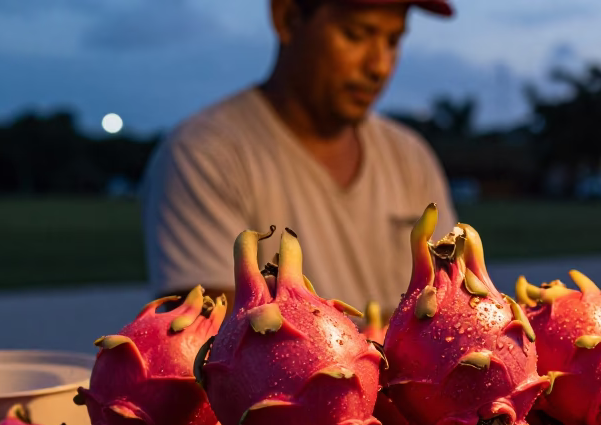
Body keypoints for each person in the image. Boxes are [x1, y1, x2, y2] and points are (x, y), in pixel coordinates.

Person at [141, 0, 457, 309]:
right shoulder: (205, 154)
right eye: (355, 35)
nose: (379, 66)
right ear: (288, 18)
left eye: (392, 41)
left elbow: (452, 307)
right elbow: (215, 337)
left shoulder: (410, 157)